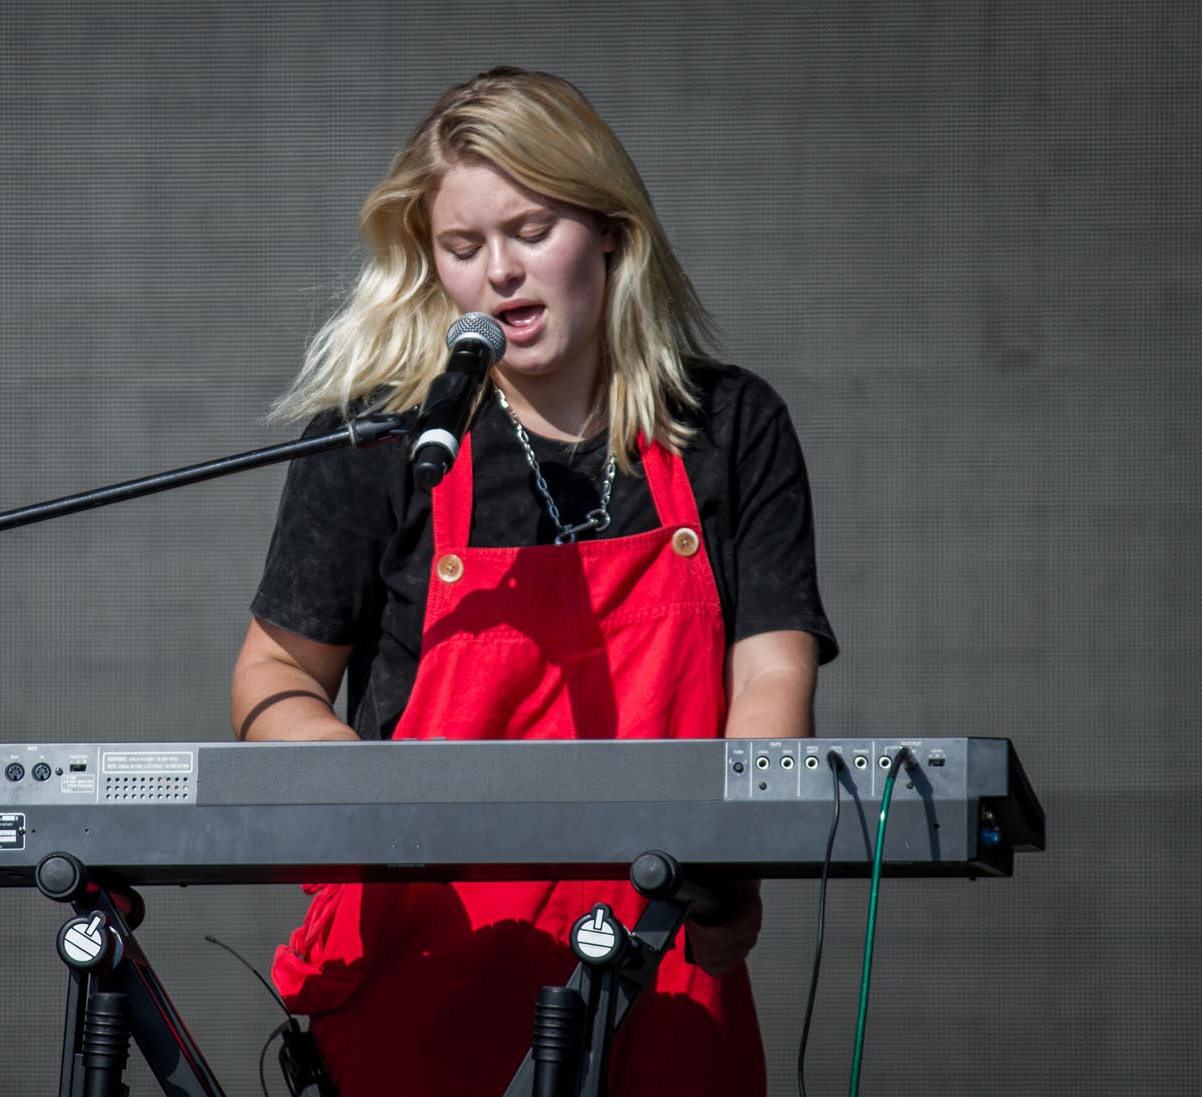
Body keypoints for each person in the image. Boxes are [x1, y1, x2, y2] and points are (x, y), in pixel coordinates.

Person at [230, 68, 837, 1097]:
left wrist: (739, 857)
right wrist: (359, 782)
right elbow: (272, 673)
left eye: (528, 230)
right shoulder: (384, 439)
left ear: (608, 229)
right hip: (426, 963)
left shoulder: (728, 428)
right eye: (462, 249)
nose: (499, 273)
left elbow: (768, 686)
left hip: (660, 952)